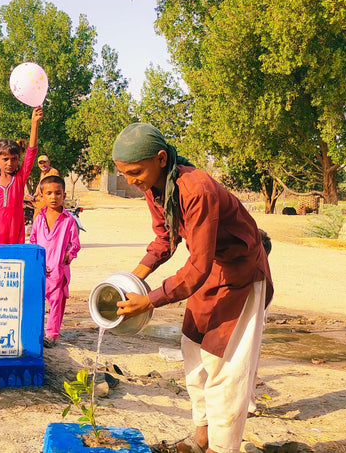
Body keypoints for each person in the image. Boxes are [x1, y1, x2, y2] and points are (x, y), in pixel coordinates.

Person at [110, 123, 273, 453]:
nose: (130, 181)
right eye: (123, 174)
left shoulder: (196, 189)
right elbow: (164, 240)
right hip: (209, 271)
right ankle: (202, 436)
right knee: (193, 350)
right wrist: (132, 281)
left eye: (135, 172)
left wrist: (150, 301)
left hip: (240, 273)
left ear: (159, 158)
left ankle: (222, 447)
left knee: (224, 365)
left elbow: (197, 266)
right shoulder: (155, 187)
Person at [29, 174, 80, 348]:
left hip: (58, 270)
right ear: (42, 196)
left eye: (58, 193)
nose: (53, 197)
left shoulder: (69, 221)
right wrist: (36, 263)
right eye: (49, 193)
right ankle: (36, 330)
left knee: (56, 303)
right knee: (36, 300)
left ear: (64, 196)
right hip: (41, 269)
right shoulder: (39, 218)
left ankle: (51, 334)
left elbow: (75, 244)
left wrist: (68, 255)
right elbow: (34, 240)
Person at [0, 106, 43, 244]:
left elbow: (31, 153)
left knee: (14, 264)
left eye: (14, 159)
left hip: (15, 231)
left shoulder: (20, 178)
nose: (10, 163)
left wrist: (34, 124)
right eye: (5, 159)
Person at [31, 154, 60, 222]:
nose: (43, 165)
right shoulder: (43, 173)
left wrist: (43, 194)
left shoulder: (53, 172)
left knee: (38, 219)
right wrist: (35, 194)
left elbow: (54, 187)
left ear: (49, 162)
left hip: (46, 200)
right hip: (40, 200)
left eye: (44, 162)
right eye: (40, 163)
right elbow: (40, 184)